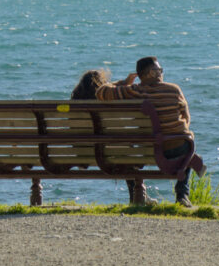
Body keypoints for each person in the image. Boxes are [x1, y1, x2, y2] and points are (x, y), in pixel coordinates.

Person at [96, 56, 196, 207]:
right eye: (159, 70)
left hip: (145, 150)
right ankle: (182, 195)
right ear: (151, 73)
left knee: (128, 157)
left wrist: (124, 82)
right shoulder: (174, 90)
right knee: (190, 149)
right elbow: (186, 118)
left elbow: (101, 92)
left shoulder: (135, 91)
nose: (161, 73)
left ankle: (137, 195)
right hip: (176, 148)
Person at [70, 69, 155, 205]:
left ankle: (140, 197)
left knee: (123, 153)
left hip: (82, 152)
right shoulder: (106, 101)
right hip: (109, 152)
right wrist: (124, 84)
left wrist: (122, 82)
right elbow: (105, 89)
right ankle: (138, 197)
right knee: (126, 156)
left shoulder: (74, 103)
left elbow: (101, 89)